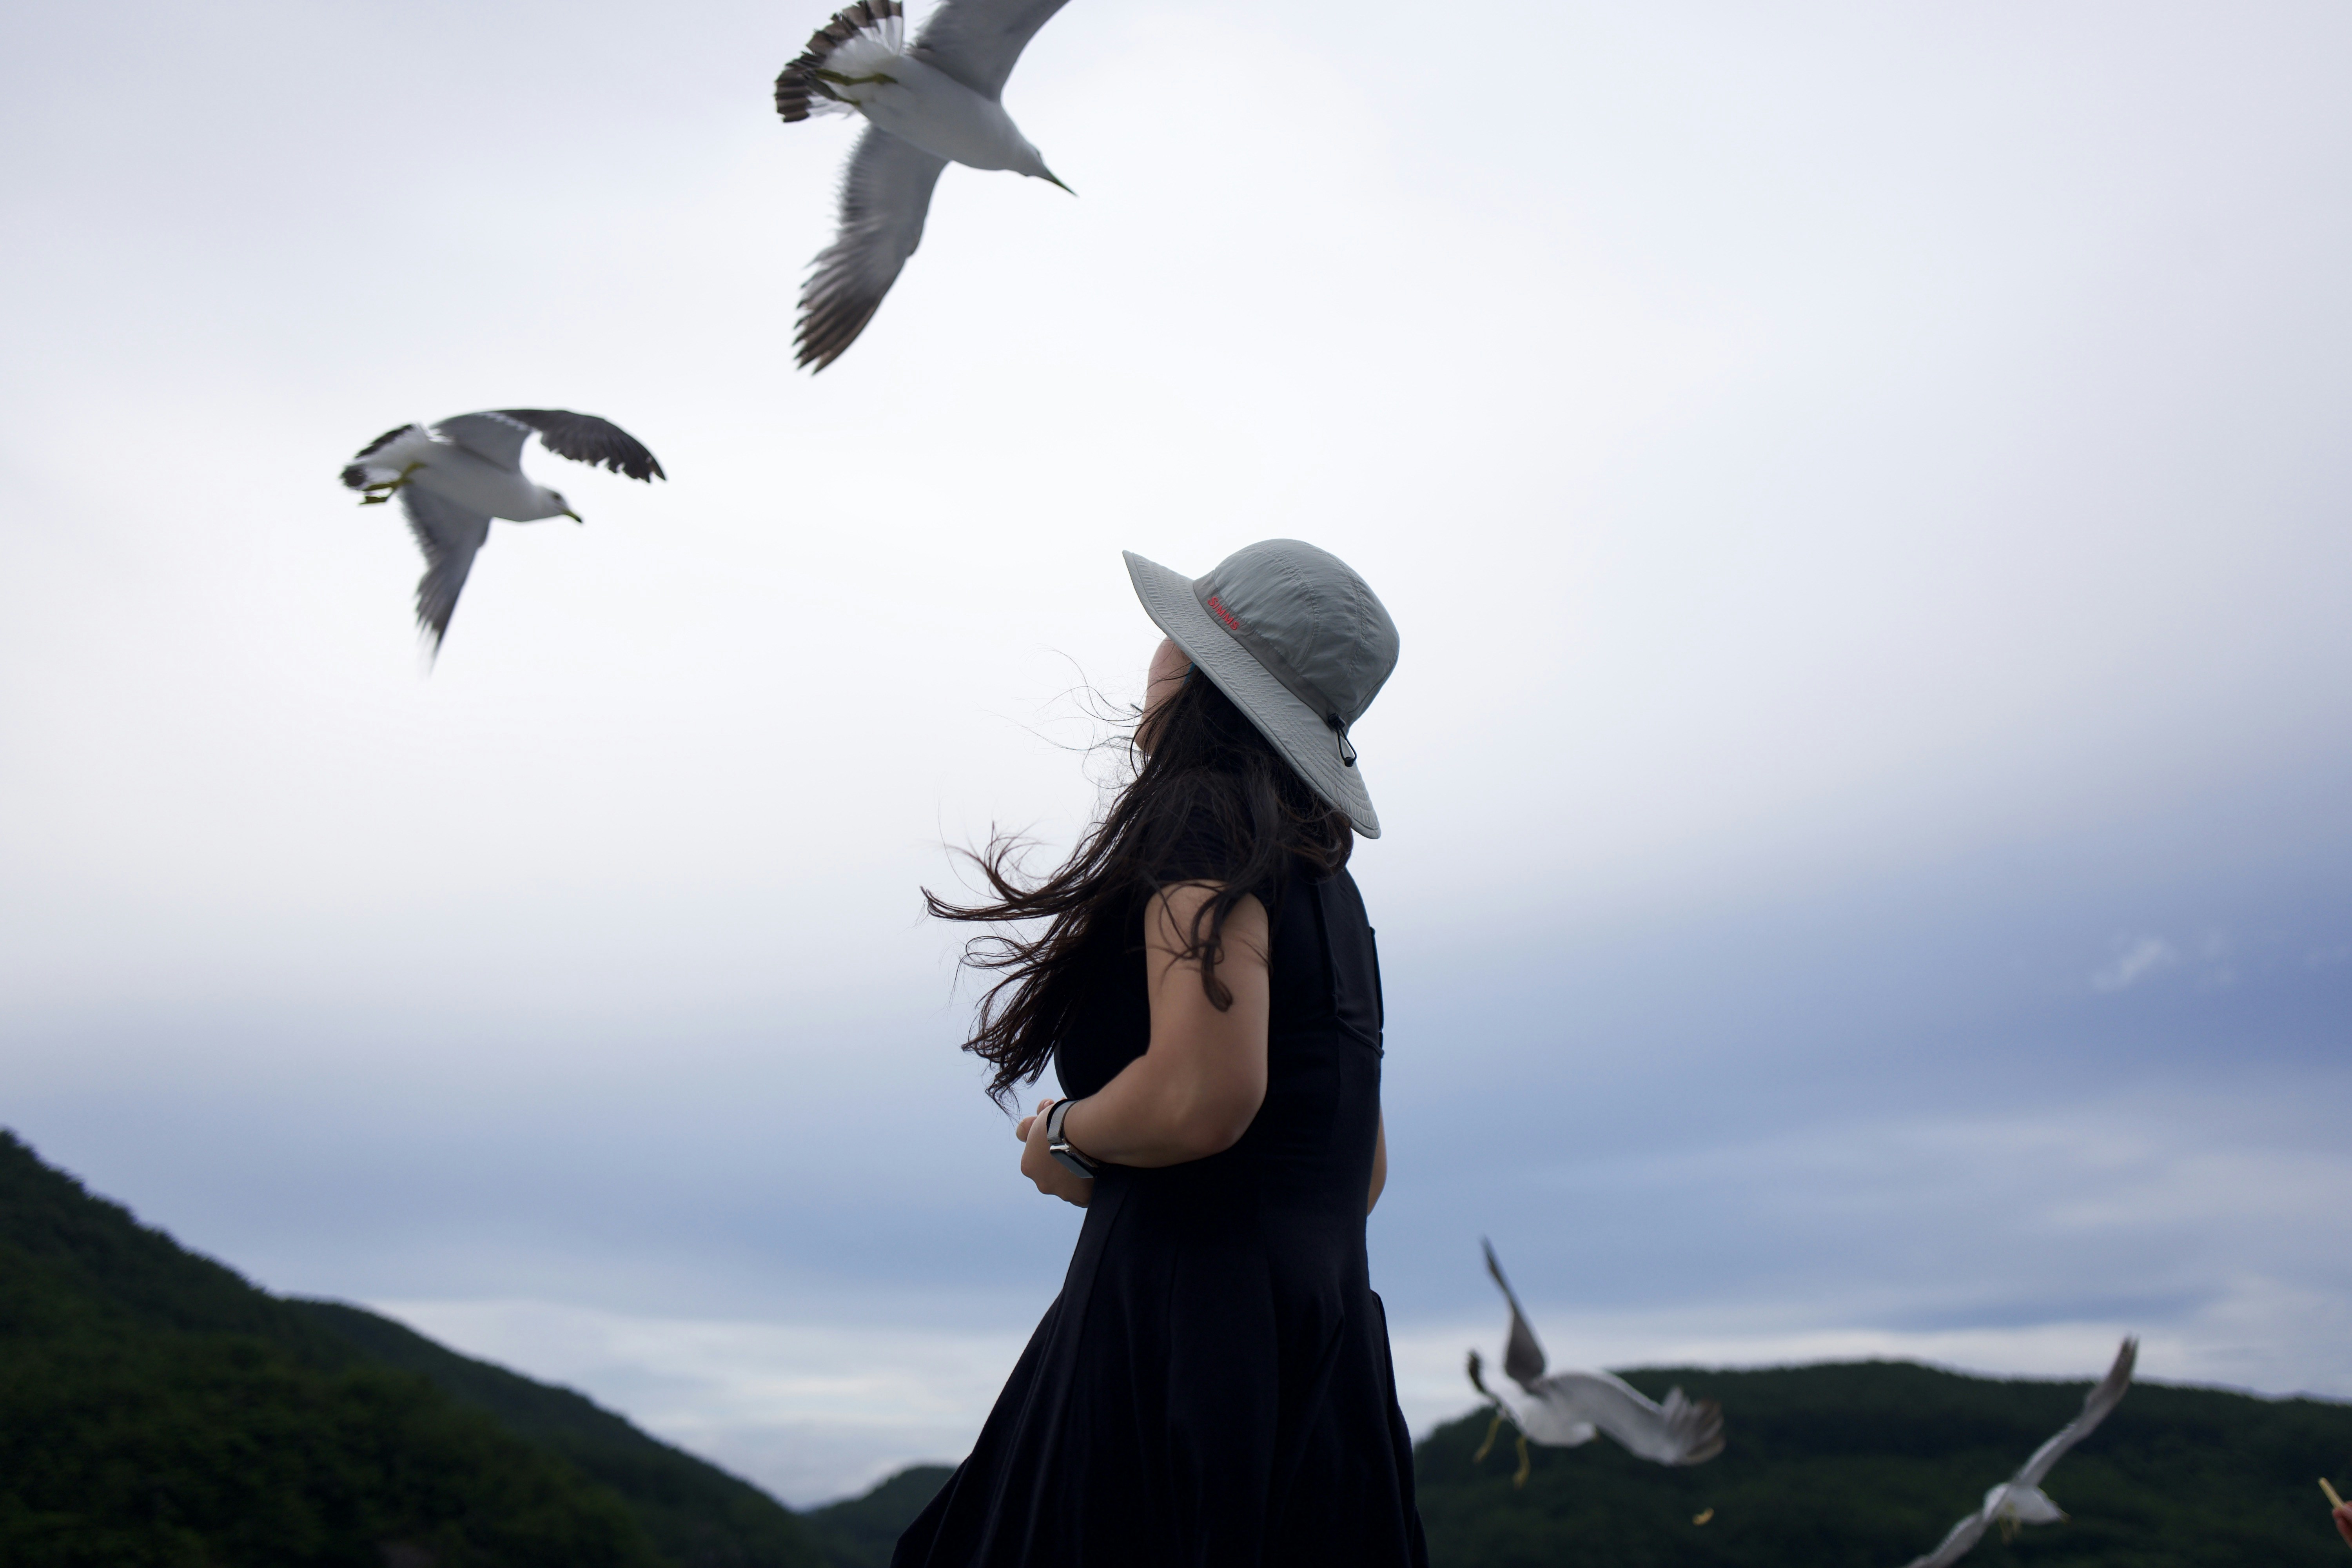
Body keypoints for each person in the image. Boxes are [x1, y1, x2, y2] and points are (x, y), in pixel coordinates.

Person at [894, 540, 1426, 1568]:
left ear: (1198, 674)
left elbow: (1201, 1096)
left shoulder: (1203, 823)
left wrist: (1070, 1135)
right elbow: (1356, 1171)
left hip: (1179, 1344)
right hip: (1322, 1349)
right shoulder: (1331, 890)